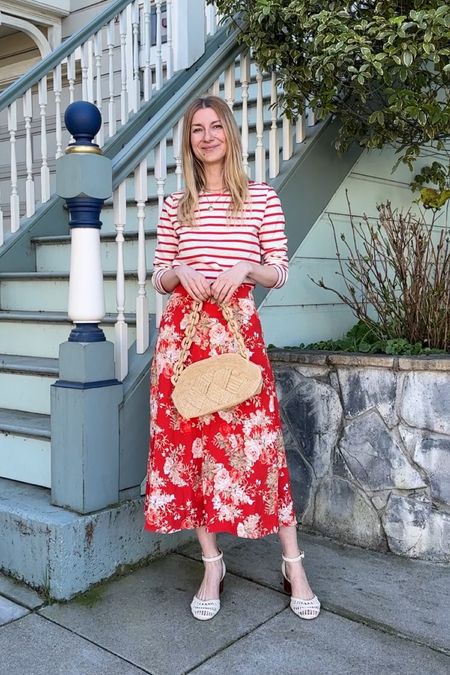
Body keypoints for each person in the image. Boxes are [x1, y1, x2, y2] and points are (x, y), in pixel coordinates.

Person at [144, 95, 320, 621]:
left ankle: (294, 563)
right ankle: (212, 563)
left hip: (237, 334)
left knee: (259, 447)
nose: (207, 136)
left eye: (215, 126)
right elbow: (159, 276)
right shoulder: (178, 205)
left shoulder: (261, 197)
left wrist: (244, 266)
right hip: (185, 336)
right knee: (194, 451)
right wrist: (181, 273)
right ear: (189, 141)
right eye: (197, 129)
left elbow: (278, 269)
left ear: (230, 134)